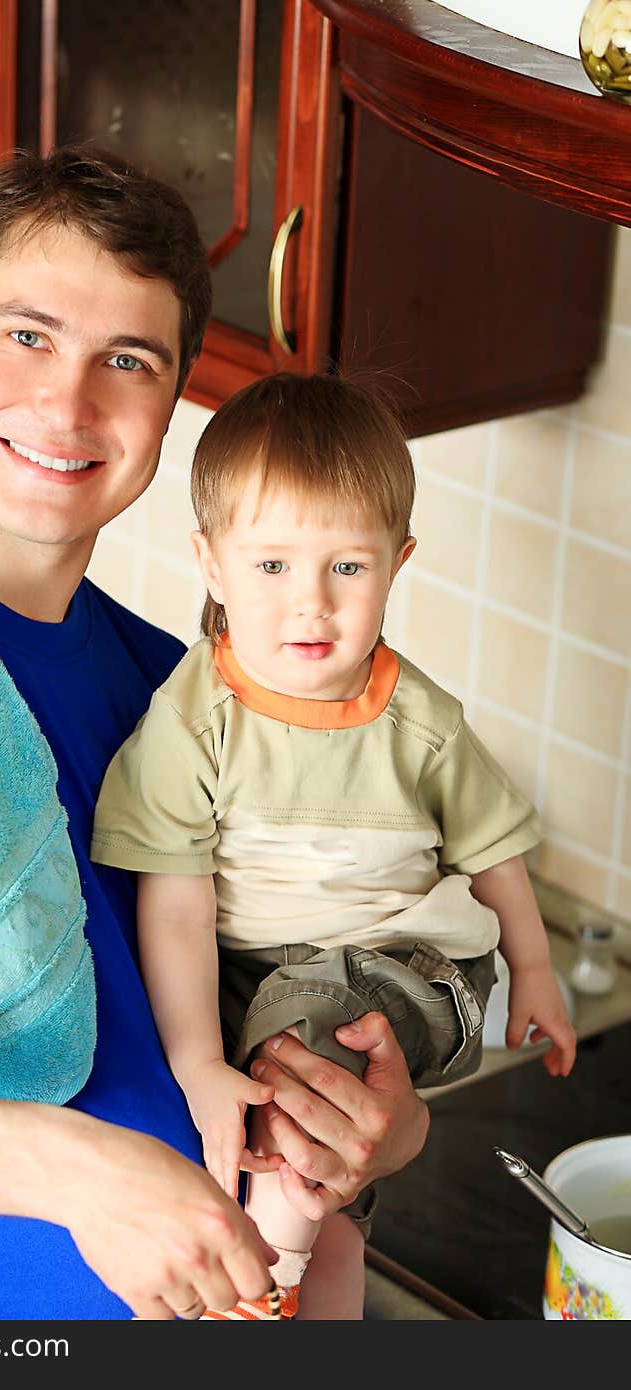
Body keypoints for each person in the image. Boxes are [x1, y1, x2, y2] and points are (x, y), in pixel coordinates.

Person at [0, 150, 430, 1322]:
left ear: (171, 405)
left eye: (126, 361)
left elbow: (251, 996)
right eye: (25, 335)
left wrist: (376, 1121)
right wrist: (69, 1173)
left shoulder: (173, 688)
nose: (67, 405)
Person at [91, 370, 577, 1320]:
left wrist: (537, 972)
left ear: (397, 563)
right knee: (294, 1153)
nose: (310, 605)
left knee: (293, 1048)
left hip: (402, 967)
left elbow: (495, 850)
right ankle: (321, 1292)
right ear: (213, 563)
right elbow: (179, 905)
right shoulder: (193, 722)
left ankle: (256, 1290)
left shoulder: (421, 721)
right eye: (272, 567)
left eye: (346, 569)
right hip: (246, 974)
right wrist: (195, 1063)